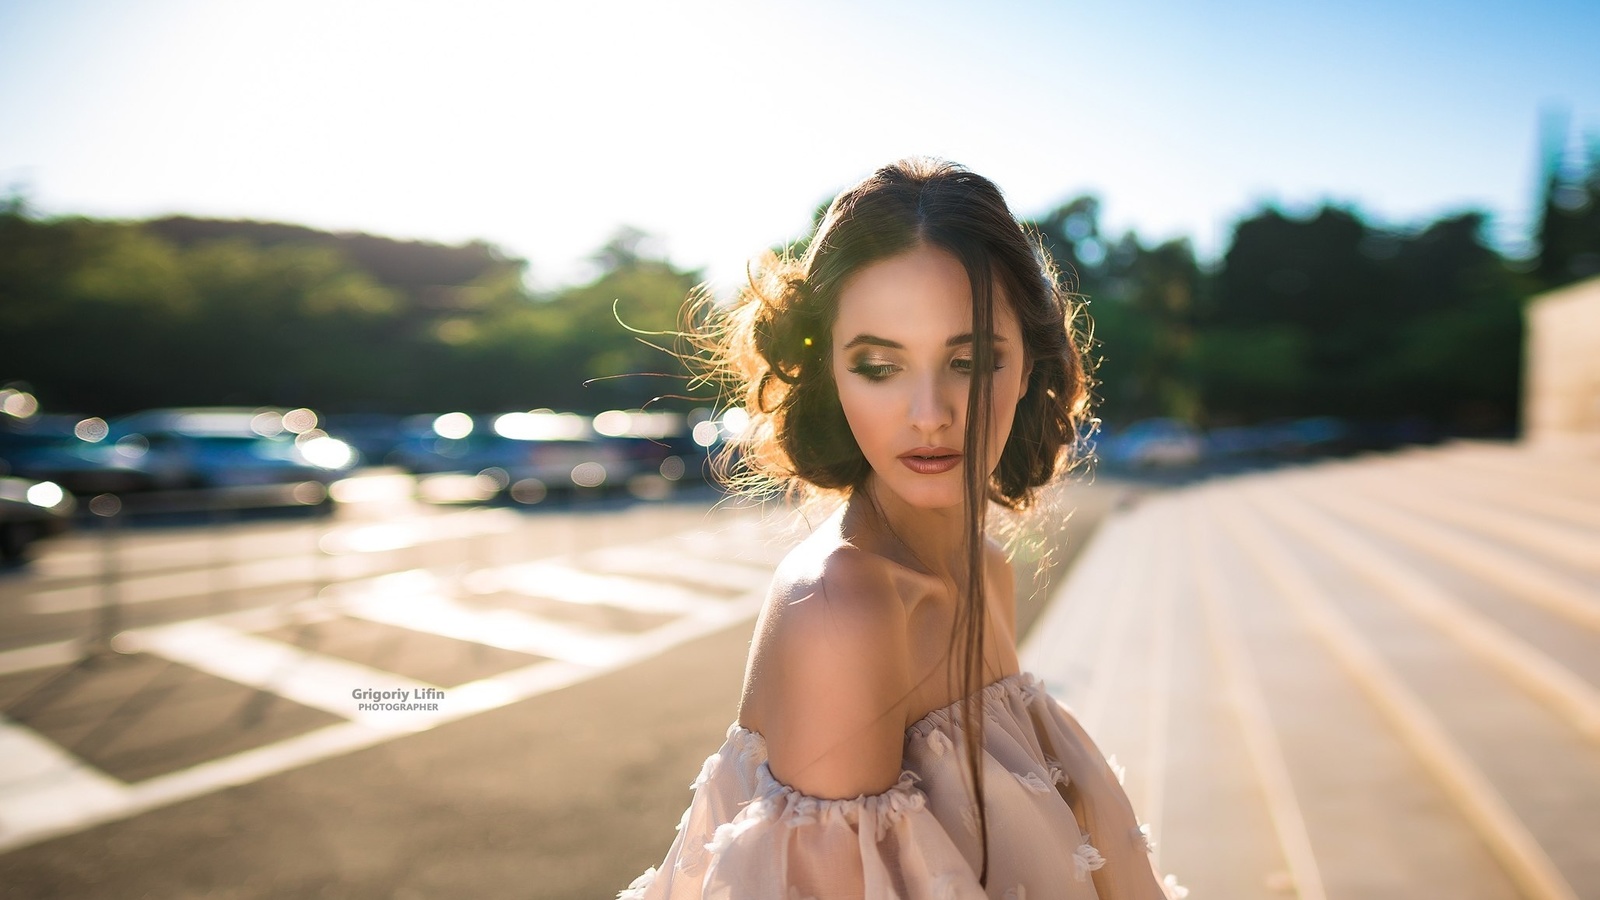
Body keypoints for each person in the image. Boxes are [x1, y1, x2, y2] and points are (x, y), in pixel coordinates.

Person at [620, 158, 1185, 899]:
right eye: (879, 366)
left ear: (1028, 366)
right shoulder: (842, 607)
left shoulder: (985, 571)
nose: (929, 413)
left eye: (972, 357)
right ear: (829, 376)